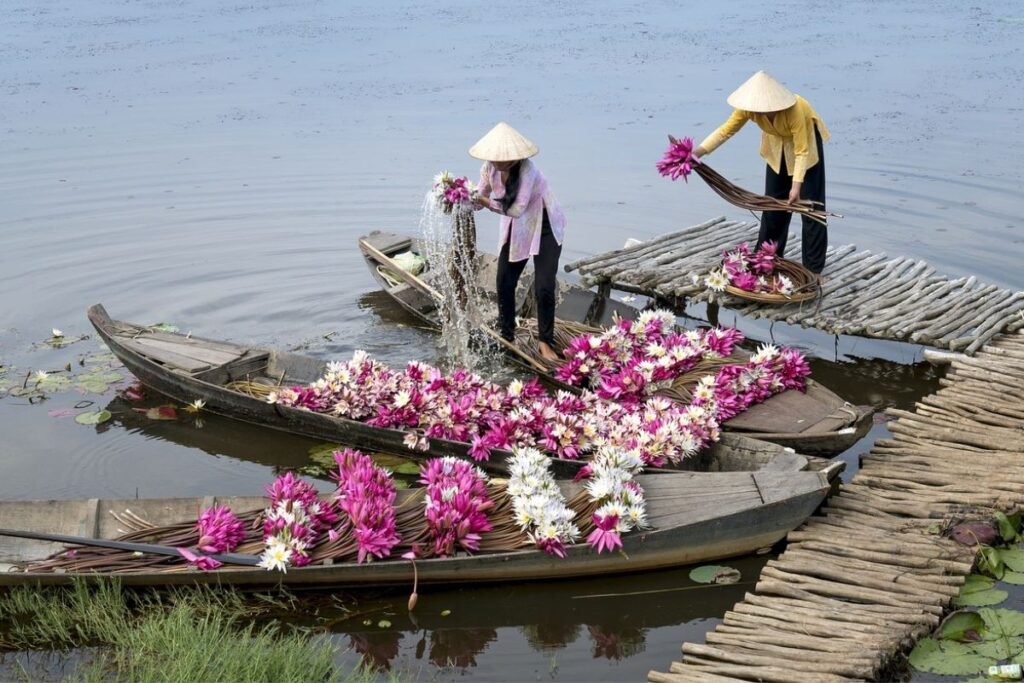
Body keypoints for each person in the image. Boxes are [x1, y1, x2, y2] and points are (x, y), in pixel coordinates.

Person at [693, 71, 831, 276]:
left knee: (811, 209)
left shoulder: (795, 109)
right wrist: (696, 153)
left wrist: (796, 186)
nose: (759, 112)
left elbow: (802, 151)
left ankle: (813, 270)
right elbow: (725, 131)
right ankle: (767, 259)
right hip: (777, 149)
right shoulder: (748, 109)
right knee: (773, 205)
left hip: (806, 149)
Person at [470, 122, 566, 362]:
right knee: (504, 280)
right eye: (493, 157)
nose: (495, 161)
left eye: (500, 158)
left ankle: (545, 342)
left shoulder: (527, 171)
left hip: (544, 225)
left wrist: (483, 201)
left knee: (544, 285)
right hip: (518, 229)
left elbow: (516, 209)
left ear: (513, 158)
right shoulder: (489, 168)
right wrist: (460, 196)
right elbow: (477, 198)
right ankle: (507, 335)